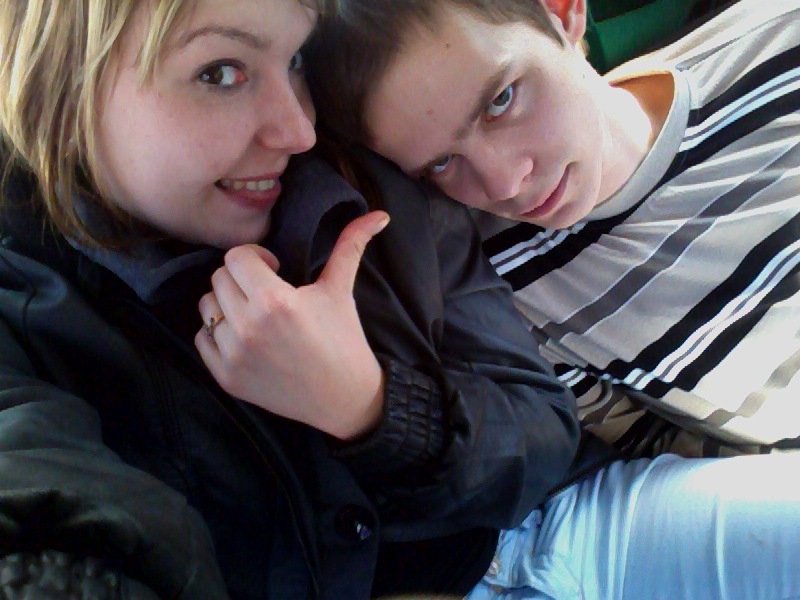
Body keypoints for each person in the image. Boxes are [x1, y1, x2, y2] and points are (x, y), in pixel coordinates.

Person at [2, 2, 800, 600]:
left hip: (565, 526)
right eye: (221, 73)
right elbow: (47, 500)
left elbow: (543, 431)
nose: (297, 129)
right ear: (62, 85)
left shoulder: (368, 184)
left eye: (296, 62)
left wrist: (372, 409)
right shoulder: (27, 305)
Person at [306, 0, 800, 457]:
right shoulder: (506, 293)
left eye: (500, 101)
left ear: (561, 12)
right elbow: (663, 452)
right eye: (441, 163)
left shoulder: (779, 45)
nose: (504, 183)